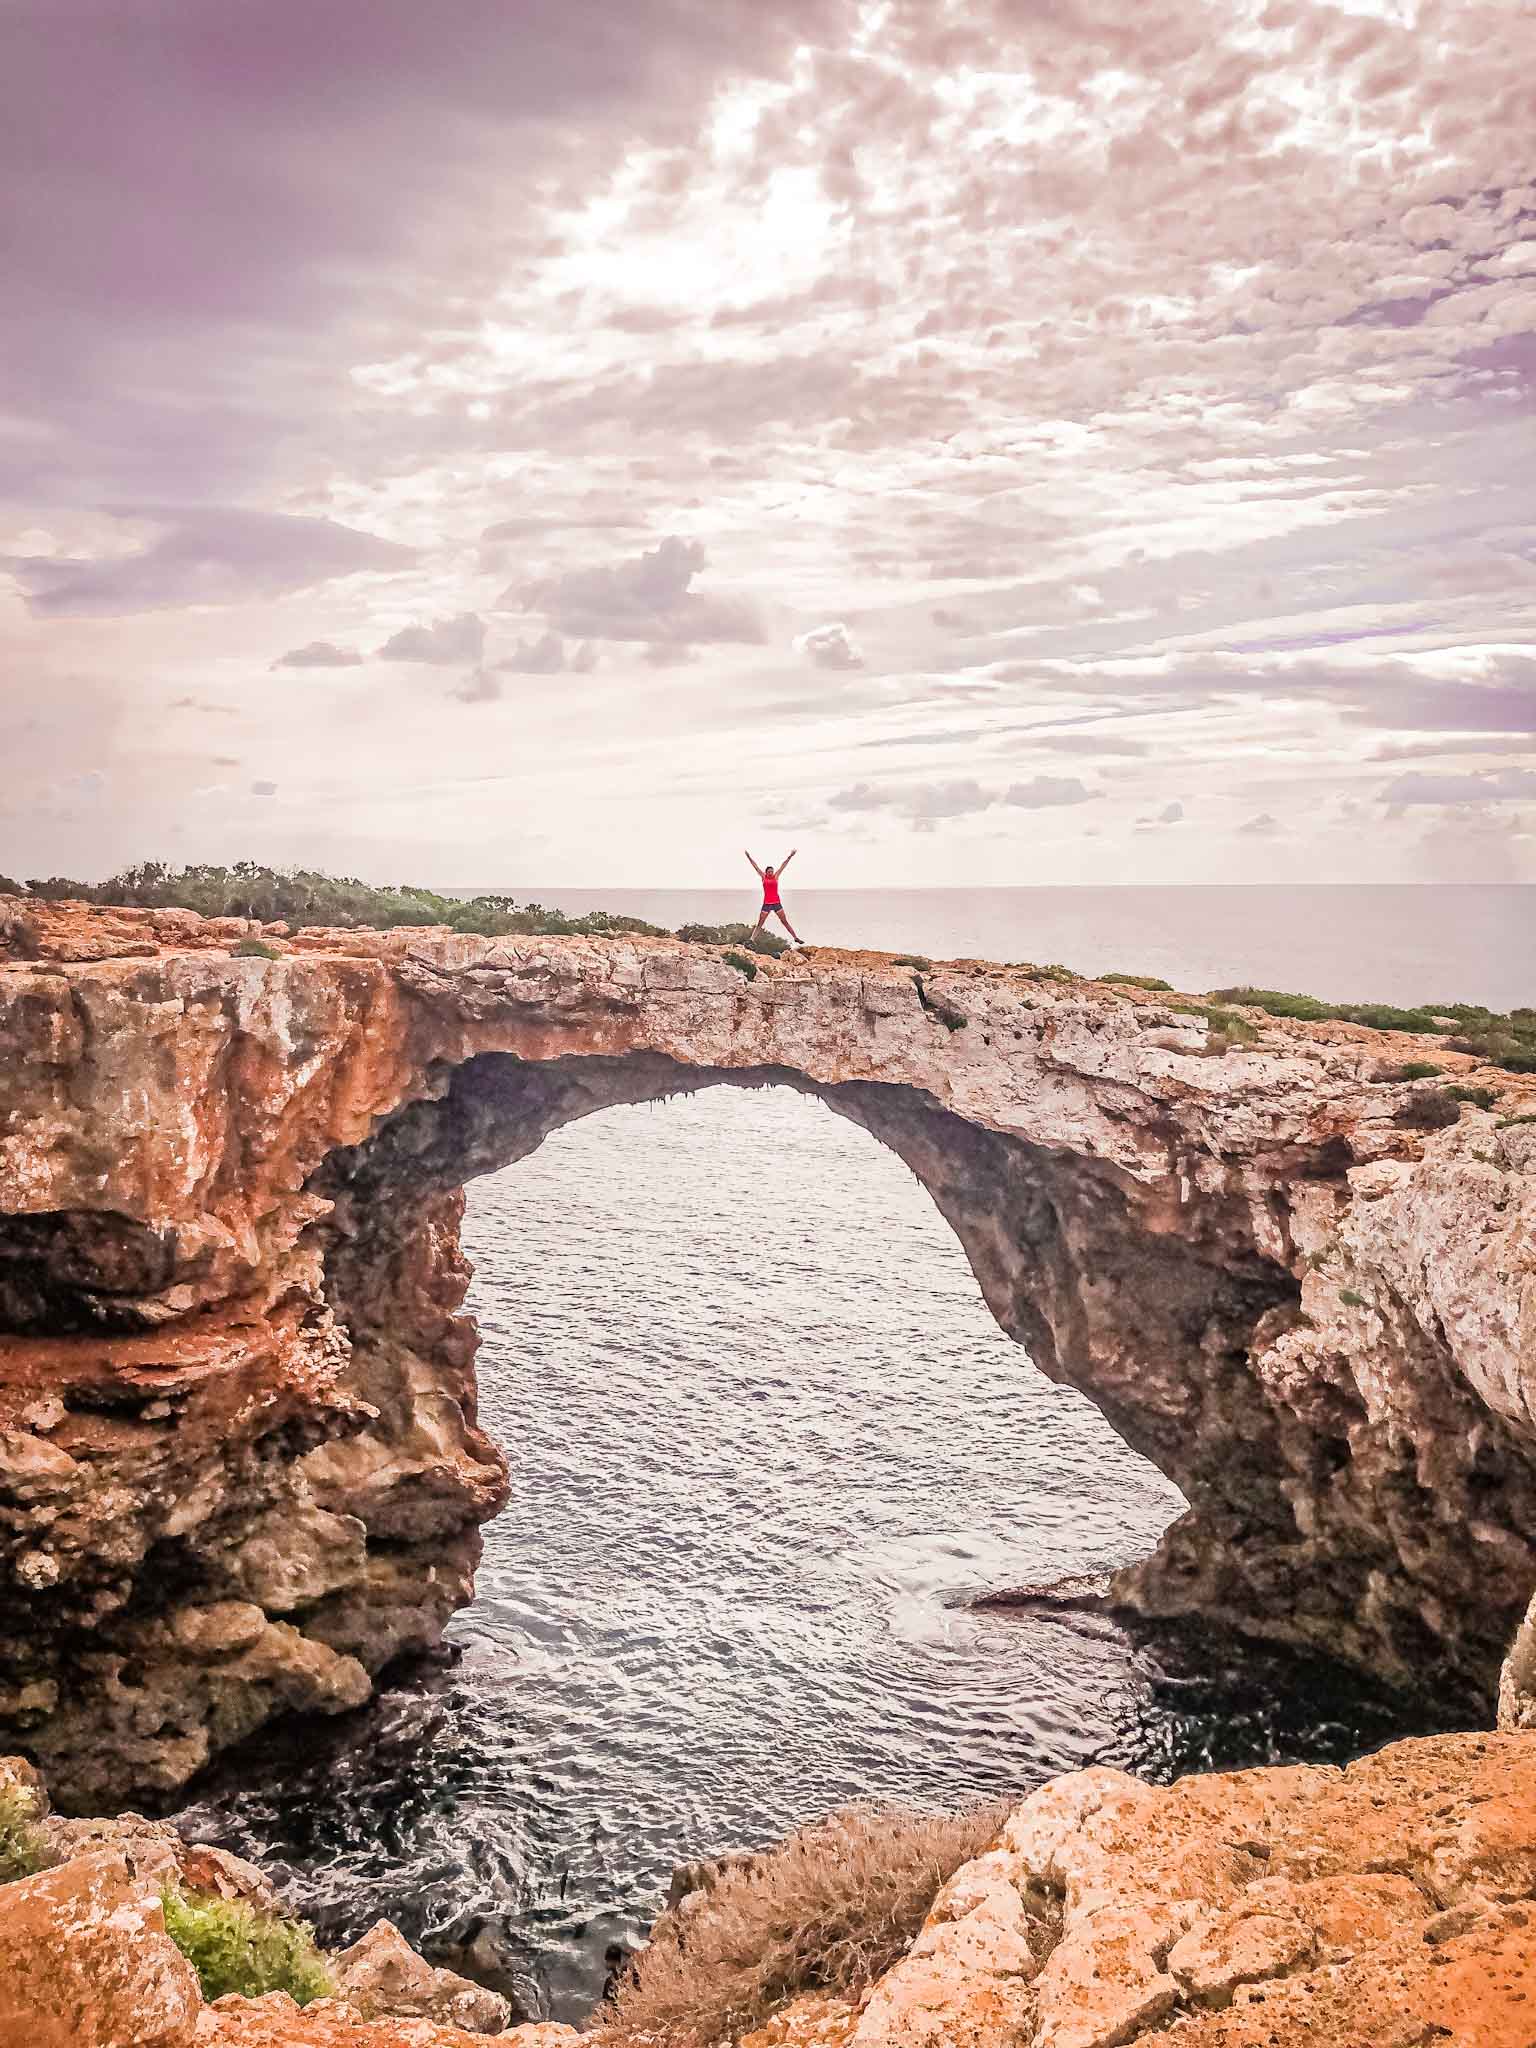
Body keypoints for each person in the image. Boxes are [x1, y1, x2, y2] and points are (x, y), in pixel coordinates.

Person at [744, 847, 803, 944]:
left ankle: (795, 937)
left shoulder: (776, 876)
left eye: (772, 871)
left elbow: (783, 866)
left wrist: (790, 856)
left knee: (784, 922)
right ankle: (751, 939)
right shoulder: (763, 877)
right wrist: (749, 857)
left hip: (776, 903)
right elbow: (755, 866)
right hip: (766, 904)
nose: (771, 873)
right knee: (760, 923)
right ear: (766, 872)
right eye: (769, 871)